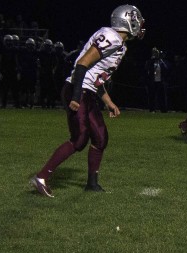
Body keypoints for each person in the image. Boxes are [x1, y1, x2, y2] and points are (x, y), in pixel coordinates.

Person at [31, 4, 144, 197]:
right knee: (79, 138)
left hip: (87, 90)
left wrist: (108, 101)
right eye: (136, 19)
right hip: (78, 89)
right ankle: (41, 177)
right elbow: (82, 64)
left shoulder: (120, 44)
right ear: (127, 21)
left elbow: (96, 77)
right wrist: (76, 96)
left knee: (100, 138)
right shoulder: (112, 37)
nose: (139, 23)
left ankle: (92, 184)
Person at [145, 47, 170, 113]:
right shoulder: (151, 62)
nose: (156, 55)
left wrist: (161, 60)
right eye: (155, 53)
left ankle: (164, 110)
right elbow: (147, 69)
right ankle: (152, 109)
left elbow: (167, 69)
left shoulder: (162, 62)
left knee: (162, 96)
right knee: (152, 96)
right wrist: (152, 59)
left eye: (157, 54)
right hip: (153, 82)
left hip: (161, 82)